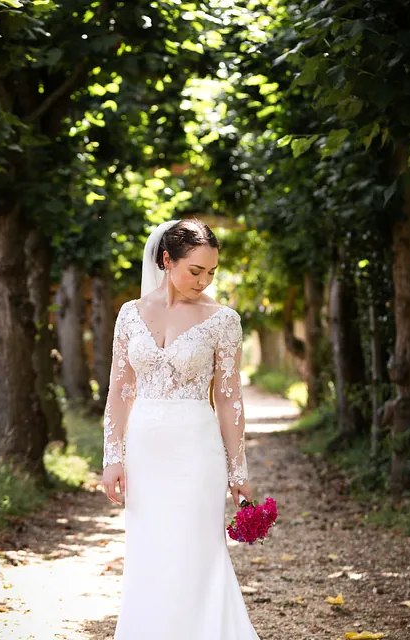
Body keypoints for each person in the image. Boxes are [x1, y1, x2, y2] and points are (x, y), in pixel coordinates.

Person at [102, 219, 260, 640]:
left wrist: (237, 471)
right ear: (167, 260)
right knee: (149, 552)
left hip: (197, 449)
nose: (204, 281)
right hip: (145, 451)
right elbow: (120, 389)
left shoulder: (223, 320)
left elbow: (228, 398)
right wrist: (112, 458)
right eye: (196, 271)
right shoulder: (129, 315)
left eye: (211, 272)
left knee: (198, 551)